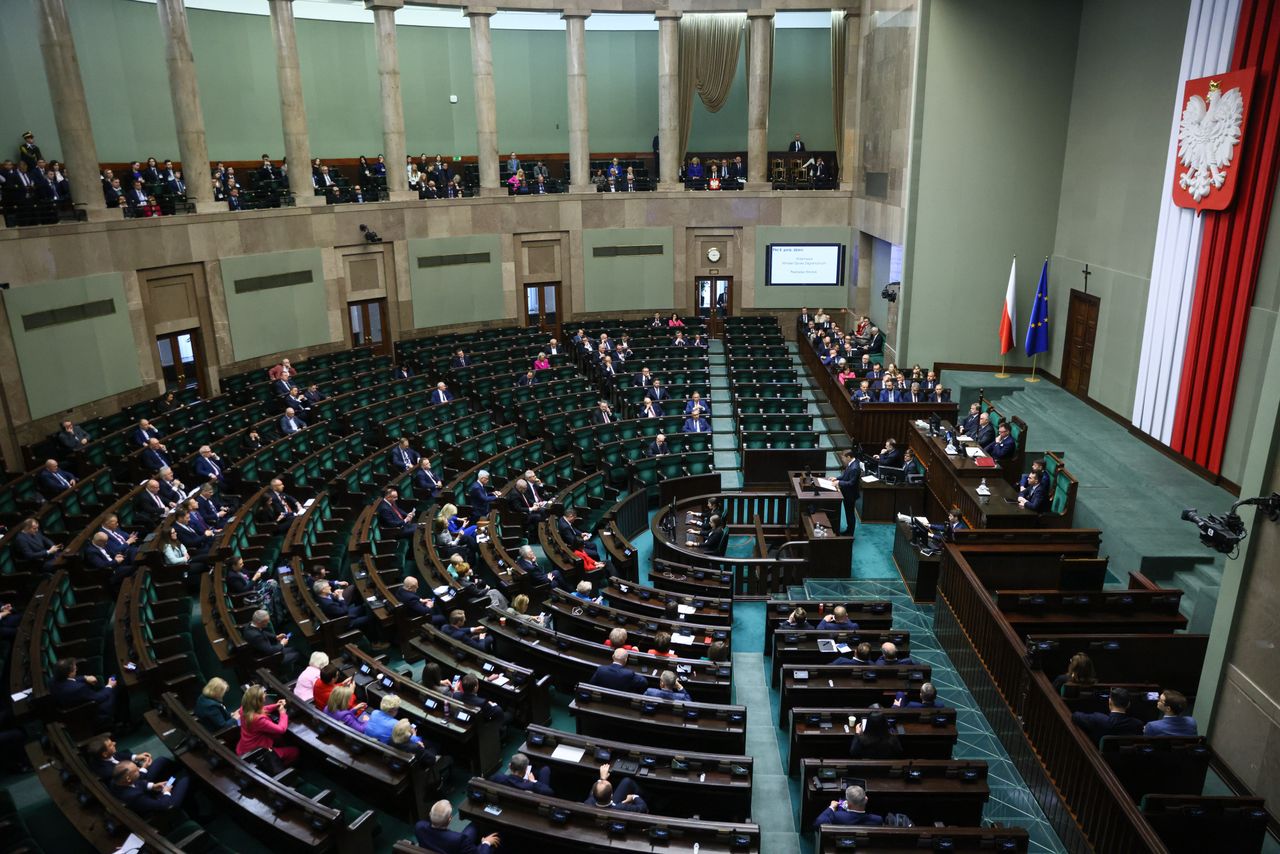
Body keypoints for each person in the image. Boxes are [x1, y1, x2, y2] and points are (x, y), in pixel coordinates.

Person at [236, 684, 298, 767]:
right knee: (295, 752)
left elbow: (261, 709)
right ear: (258, 701)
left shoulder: (244, 708)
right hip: (259, 752)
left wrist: (276, 705)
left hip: (245, 746)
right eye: (264, 695)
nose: (265, 696)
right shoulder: (258, 719)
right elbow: (281, 729)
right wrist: (282, 713)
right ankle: (281, 768)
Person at [109, 760, 192, 817]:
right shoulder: (136, 797)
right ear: (128, 778)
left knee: (172, 779)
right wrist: (166, 792)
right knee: (186, 779)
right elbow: (164, 805)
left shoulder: (116, 781)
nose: (139, 769)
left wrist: (153, 786)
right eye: (136, 771)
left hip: (150, 799)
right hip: (165, 807)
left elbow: (135, 783)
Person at [415, 799, 500, 853]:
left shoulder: (419, 827)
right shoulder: (459, 839)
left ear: (430, 814)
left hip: (448, 846)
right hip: (456, 846)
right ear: (449, 819)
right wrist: (486, 843)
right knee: (493, 841)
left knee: (475, 824)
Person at [50, 658, 116, 726]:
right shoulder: (79, 688)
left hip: (67, 707)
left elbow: (69, 680)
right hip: (86, 713)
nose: (76, 669)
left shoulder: (53, 680)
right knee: (111, 692)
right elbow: (98, 698)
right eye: (75, 669)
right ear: (69, 673)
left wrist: (85, 677)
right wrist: (109, 685)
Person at [1071, 686, 1145, 744]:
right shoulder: (1137, 724)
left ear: (1110, 702)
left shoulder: (1098, 719)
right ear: (1128, 704)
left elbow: (1075, 716)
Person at [813, 785, 884, 828]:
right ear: (866, 799)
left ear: (849, 805)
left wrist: (831, 807)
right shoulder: (877, 820)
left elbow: (818, 823)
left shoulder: (837, 816)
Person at [835, 450, 862, 537]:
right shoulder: (851, 464)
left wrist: (839, 483)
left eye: (843, 458)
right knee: (848, 513)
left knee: (850, 514)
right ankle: (848, 530)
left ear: (849, 457)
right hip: (847, 493)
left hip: (850, 495)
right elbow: (844, 476)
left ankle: (850, 534)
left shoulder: (854, 468)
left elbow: (851, 483)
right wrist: (835, 478)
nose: (843, 460)